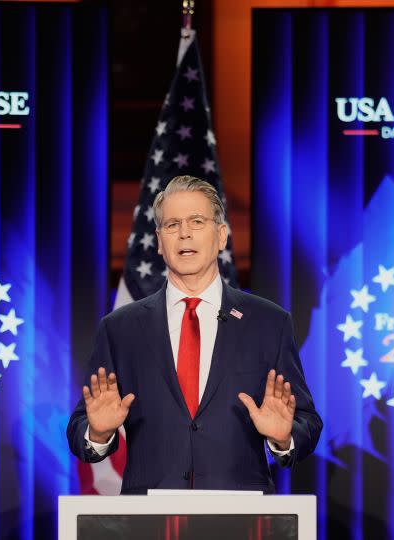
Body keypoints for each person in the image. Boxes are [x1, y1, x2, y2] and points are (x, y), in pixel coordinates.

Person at [66, 175, 322, 494]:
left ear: (221, 235)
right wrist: (99, 433)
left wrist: (283, 437)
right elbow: (80, 427)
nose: (184, 233)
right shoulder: (120, 328)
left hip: (239, 512)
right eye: (172, 224)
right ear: (159, 242)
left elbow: (307, 421)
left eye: (197, 222)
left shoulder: (268, 323)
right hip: (150, 514)